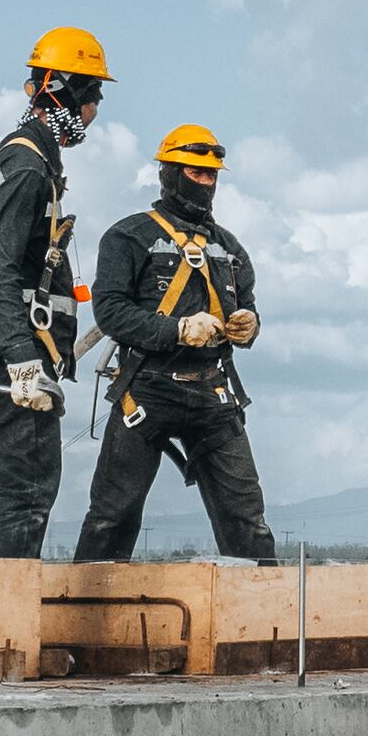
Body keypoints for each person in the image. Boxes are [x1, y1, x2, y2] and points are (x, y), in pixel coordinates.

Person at [75, 124, 275, 563]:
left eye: (211, 176)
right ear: (170, 172)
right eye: (196, 173)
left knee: (248, 520)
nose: (205, 183)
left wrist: (249, 323)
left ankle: (265, 619)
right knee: (112, 514)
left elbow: (250, 302)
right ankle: (78, 620)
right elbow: (109, 311)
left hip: (213, 392)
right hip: (148, 389)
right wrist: (177, 330)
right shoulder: (129, 237)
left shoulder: (229, 248)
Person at [0, 25, 108, 557]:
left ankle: (6, 615)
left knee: (27, 488)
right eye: (90, 95)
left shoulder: (26, 159)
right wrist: (23, 360)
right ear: (61, 90)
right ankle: (6, 624)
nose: (93, 111)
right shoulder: (27, 167)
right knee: (25, 492)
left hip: (13, 349)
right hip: (16, 355)